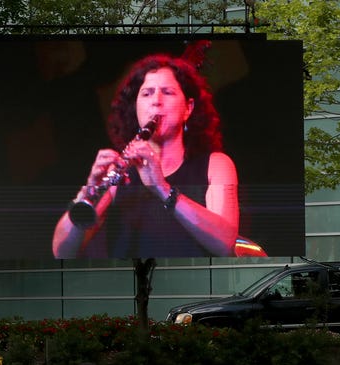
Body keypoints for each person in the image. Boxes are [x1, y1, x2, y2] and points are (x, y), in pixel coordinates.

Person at [52, 50, 242, 259]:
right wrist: (88, 194)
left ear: (188, 108)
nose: (156, 101)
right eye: (147, 93)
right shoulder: (119, 170)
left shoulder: (216, 165)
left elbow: (225, 243)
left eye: (167, 92)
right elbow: (63, 252)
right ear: (136, 108)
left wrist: (162, 188)